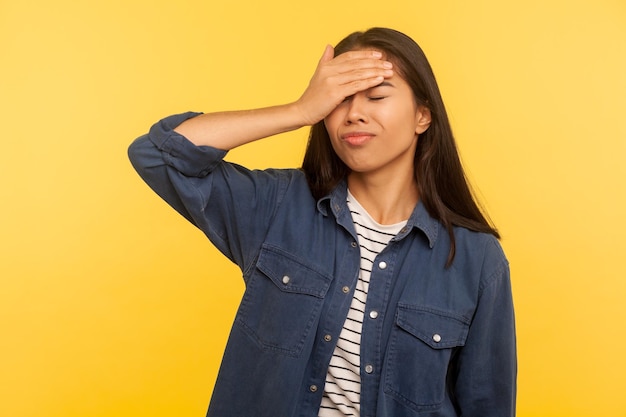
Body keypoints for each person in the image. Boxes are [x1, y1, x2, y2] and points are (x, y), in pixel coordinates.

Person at [128, 27, 516, 417]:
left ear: (422, 116)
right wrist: (300, 111)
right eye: (339, 99)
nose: (354, 114)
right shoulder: (278, 207)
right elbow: (160, 155)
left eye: (376, 96)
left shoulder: (477, 260)